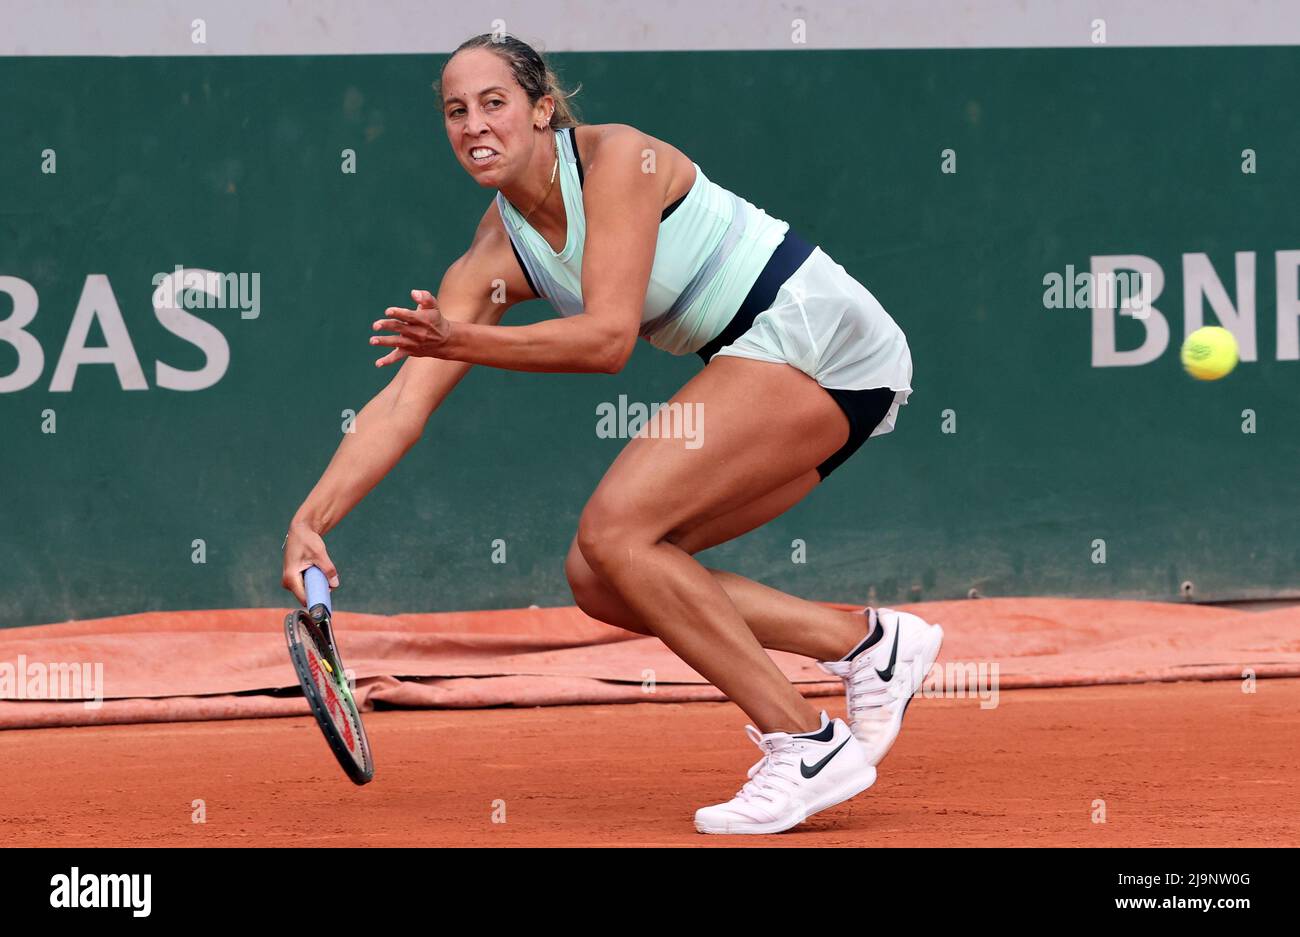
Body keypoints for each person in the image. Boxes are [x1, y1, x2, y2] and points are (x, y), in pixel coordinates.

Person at [282, 33, 943, 835]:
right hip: (774, 361)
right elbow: (400, 406)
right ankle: (868, 644)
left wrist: (460, 340)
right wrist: (312, 518)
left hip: (817, 335)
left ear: (542, 108)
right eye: (456, 111)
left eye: (494, 102)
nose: (474, 124)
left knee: (618, 528)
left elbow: (606, 341)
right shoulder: (493, 253)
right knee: (602, 575)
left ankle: (806, 740)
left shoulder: (617, 160)